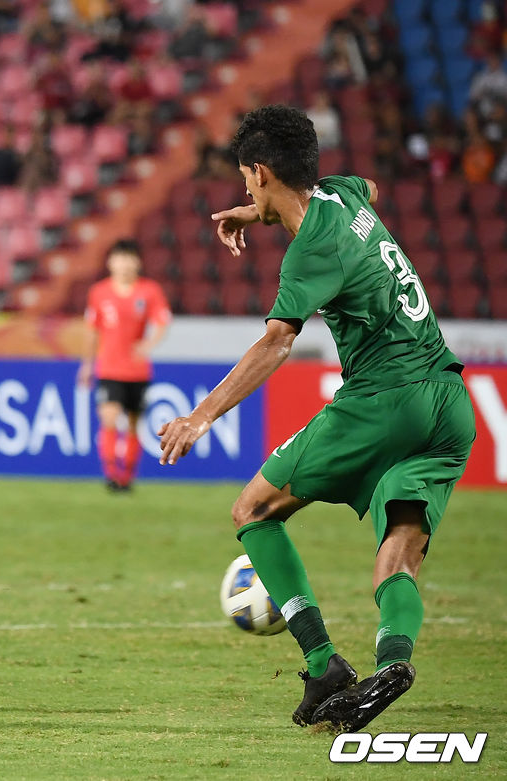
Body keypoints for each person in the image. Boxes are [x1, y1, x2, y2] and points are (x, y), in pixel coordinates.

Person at [157, 105, 475, 732]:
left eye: (247, 181)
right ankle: (393, 663)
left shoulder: (311, 251)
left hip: (386, 398)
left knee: (253, 510)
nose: (246, 190)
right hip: (449, 403)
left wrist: (201, 415)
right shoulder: (345, 194)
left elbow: (278, 342)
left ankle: (324, 665)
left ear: (260, 170)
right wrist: (258, 211)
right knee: (400, 551)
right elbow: (369, 188)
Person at [78, 239, 170, 492]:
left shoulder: (149, 290)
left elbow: (163, 321)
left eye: (129, 258)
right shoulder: (99, 292)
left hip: (137, 370)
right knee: (108, 417)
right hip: (109, 368)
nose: (125, 264)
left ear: (137, 262)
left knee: (132, 423)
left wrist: (148, 344)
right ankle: (110, 475)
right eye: (120, 258)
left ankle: (127, 477)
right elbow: (92, 331)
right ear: (110, 262)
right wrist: (87, 364)